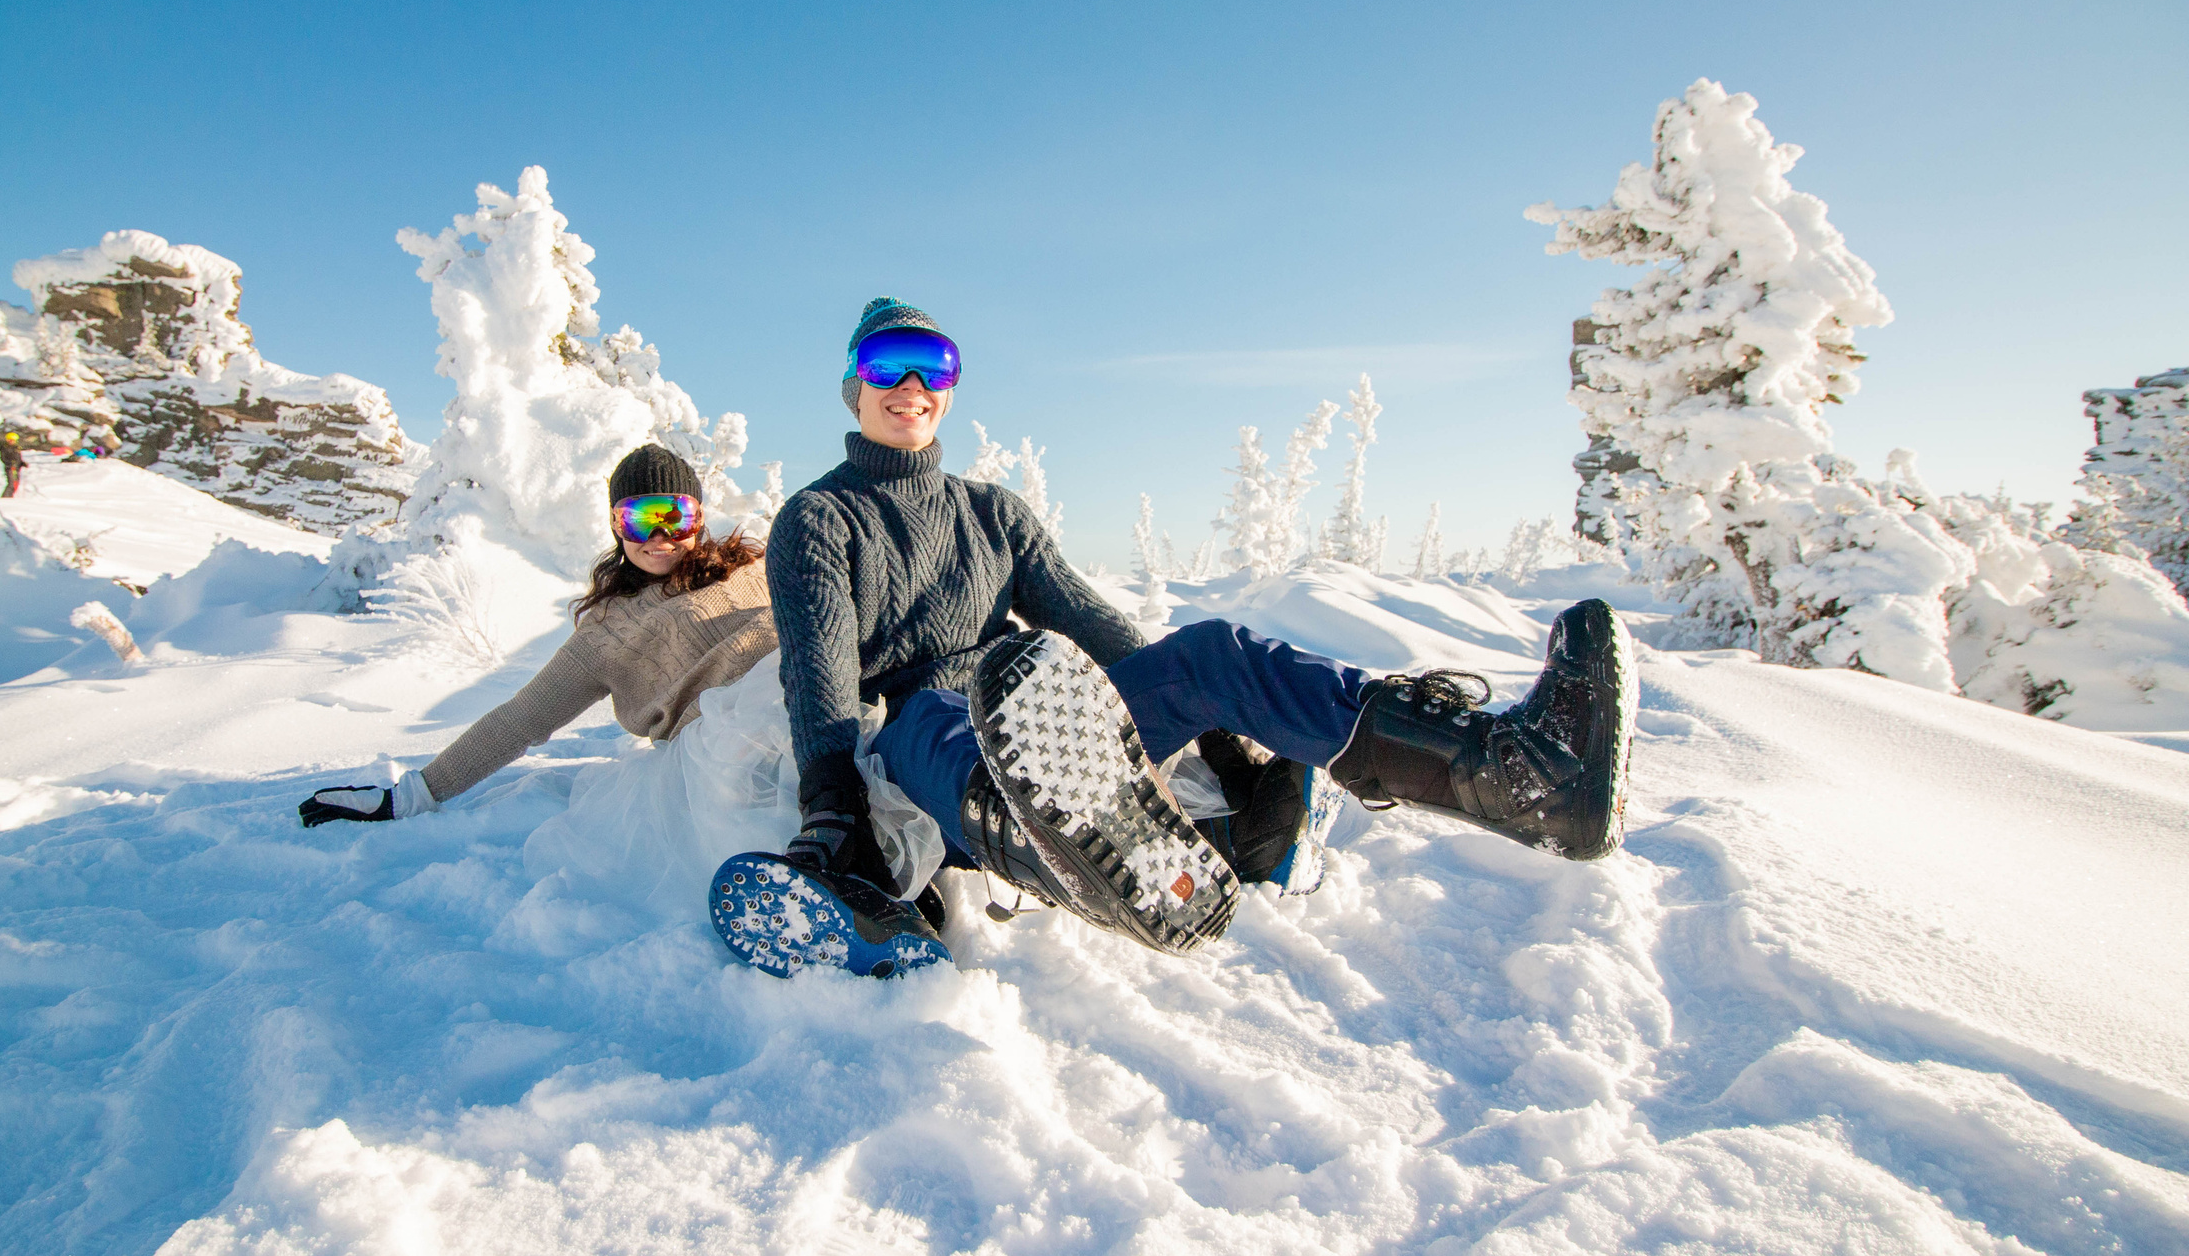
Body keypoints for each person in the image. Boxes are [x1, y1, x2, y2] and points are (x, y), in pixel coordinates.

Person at [758, 298, 1634, 957]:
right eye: (888, 363)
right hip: (930, 735)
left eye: (932, 365)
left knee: (1211, 651)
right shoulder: (819, 520)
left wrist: (1215, 729)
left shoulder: (993, 511)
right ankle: (1078, 853)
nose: (911, 387)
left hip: (1045, 725)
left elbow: (1088, 620)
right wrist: (832, 812)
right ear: (853, 384)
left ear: (948, 388)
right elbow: (821, 673)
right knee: (954, 708)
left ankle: (1516, 773)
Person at [299, 445, 776, 827]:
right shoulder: (608, 630)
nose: (659, 534)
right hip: (734, 751)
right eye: (637, 518)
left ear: (698, 519)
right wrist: (414, 793)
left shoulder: (754, 567)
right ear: (616, 526)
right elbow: (524, 715)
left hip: (815, 691)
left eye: (674, 516)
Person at [0, 428, 27, 498]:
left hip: (17, 468)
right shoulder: (5, 447)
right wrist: (10, 463)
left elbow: (18, 458)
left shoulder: (16, 447)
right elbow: (3, 458)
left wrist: (22, 463)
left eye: (13, 440)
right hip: (10, 468)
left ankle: (11, 496)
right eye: (10, 440)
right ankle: (6, 497)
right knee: (11, 483)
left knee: (16, 483)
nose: (11, 441)